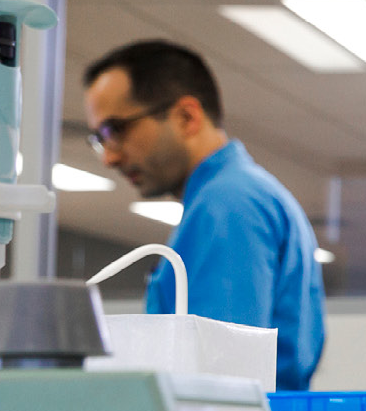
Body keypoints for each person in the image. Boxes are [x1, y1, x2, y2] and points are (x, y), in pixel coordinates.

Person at [82, 39, 326, 391]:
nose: (109, 157)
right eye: (99, 139)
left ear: (186, 117)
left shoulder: (228, 205)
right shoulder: (244, 193)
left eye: (115, 131)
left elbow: (217, 384)